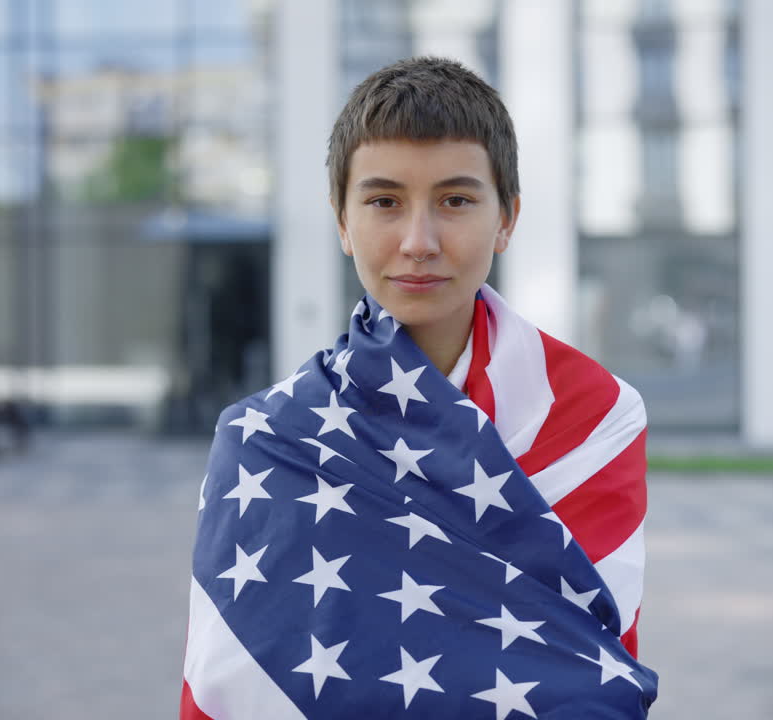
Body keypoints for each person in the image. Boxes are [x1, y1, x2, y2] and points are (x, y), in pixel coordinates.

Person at [181, 56, 656, 719]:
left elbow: (584, 669)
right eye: (383, 202)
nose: (418, 241)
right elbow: (231, 679)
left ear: (508, 218)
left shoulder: (594, 414)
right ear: (343, 223)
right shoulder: (266, 438)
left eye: (456, 201)